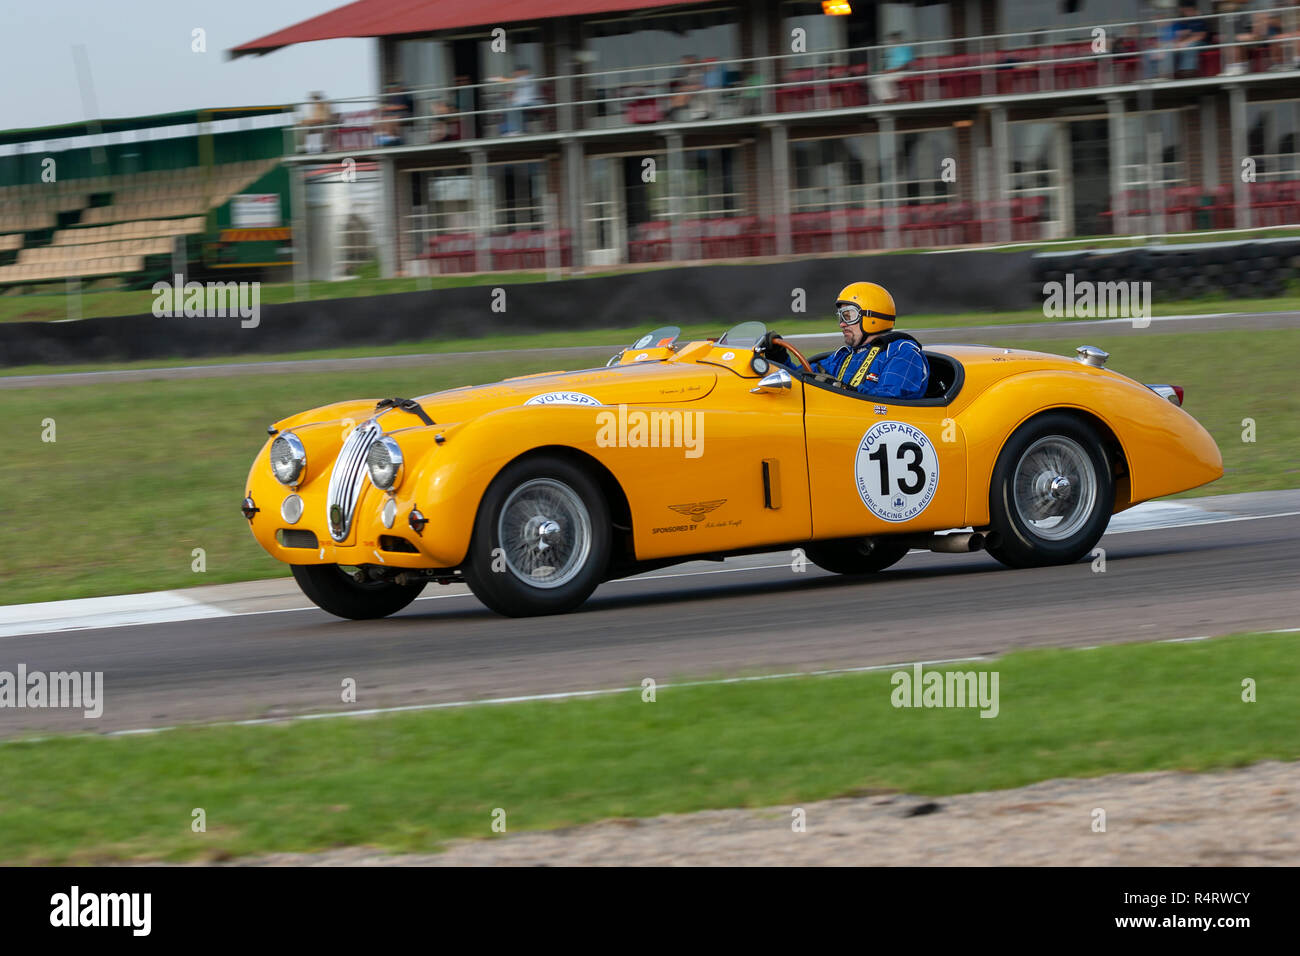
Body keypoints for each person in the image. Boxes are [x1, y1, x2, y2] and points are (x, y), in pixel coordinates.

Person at [761, 282, 930, 399]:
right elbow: (801, 378)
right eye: (841, 317)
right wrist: (777, 357)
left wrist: (839, 389)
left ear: (871, 317)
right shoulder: (842, 357)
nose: (842, 323)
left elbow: (891, 401)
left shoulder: (902, 352)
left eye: (849, 316)